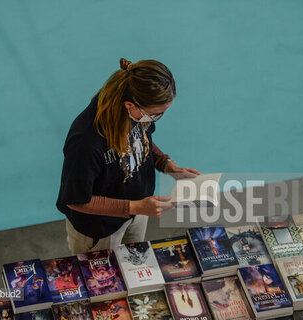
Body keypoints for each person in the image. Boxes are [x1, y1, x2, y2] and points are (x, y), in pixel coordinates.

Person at [56, 58, 201, 254]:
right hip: (99, 230)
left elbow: (141, 139)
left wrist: (166, 164)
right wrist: (135, 206)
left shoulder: (136, 112)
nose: (156, 119)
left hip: (138, 211)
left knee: (134, 263)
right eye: (156, 114)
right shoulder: (85, 141)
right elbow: (77, 200)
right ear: (130, 105)